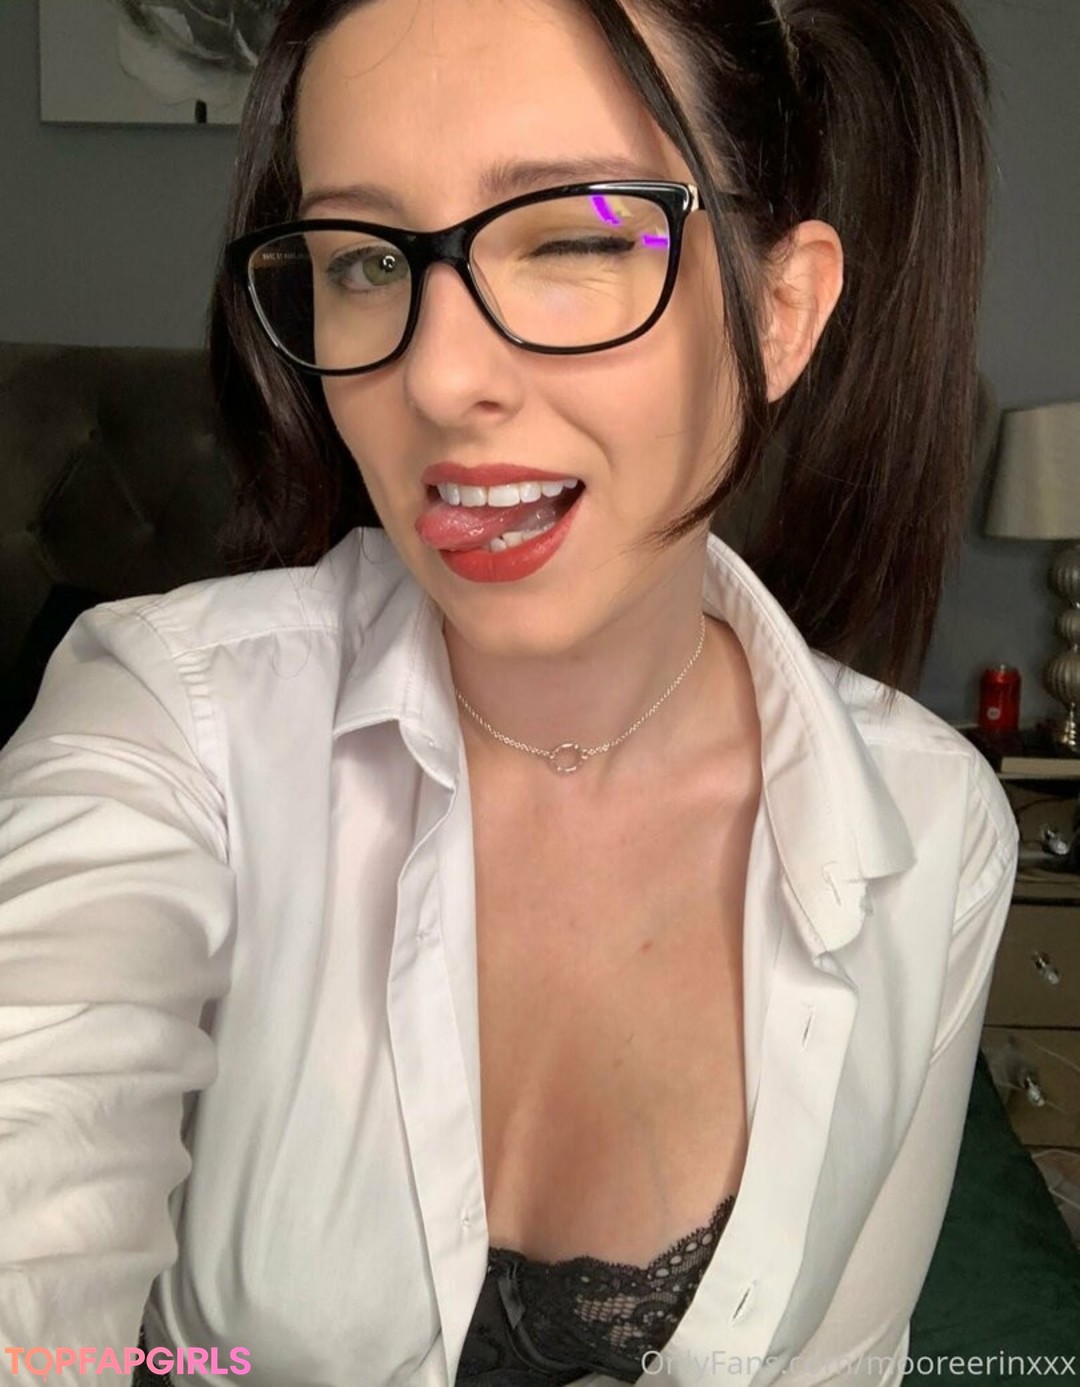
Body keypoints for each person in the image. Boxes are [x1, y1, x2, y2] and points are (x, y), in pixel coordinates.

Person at [0, 0, 1020, 1383]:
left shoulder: (932, 827)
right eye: (365, 262)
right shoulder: (166, 724)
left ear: (783, 311)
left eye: (581, 237)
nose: (437, 377)